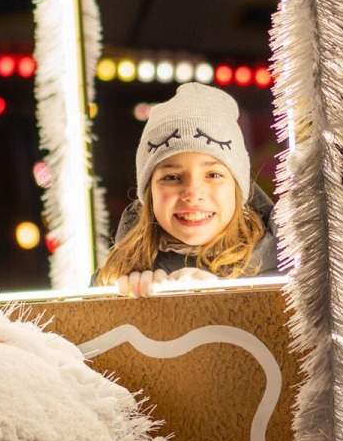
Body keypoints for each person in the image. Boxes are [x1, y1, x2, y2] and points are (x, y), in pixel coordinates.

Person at [95, 81, 280, 296]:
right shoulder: (116, 278)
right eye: (172, 177)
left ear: (238, 188)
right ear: (149, 193)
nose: (192, 193)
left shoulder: (292, 270)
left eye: (213, 175)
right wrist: (127, 304)